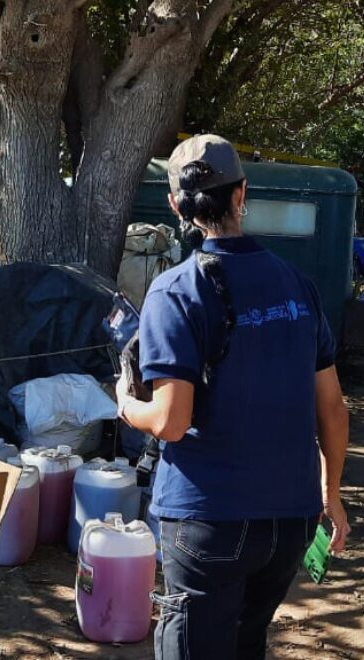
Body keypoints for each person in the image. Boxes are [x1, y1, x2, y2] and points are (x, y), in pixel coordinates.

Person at [115, 135, 351, 660]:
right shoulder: (299, 285)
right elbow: (332, 408)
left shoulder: (176, 290)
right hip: (289, 522)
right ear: (242, 194)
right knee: (247, 643)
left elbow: (172, 421)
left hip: (208, 523)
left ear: (177, 204)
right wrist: (330, 493)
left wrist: (126, 405)